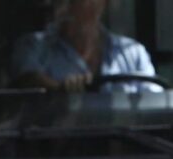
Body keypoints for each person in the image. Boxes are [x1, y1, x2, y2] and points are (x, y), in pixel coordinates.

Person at [10, 0, 159, 93]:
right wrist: (60, 91)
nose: (79, 5)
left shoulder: (133, 53)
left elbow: (154, 107)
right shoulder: (34, 46)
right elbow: (27, 81)